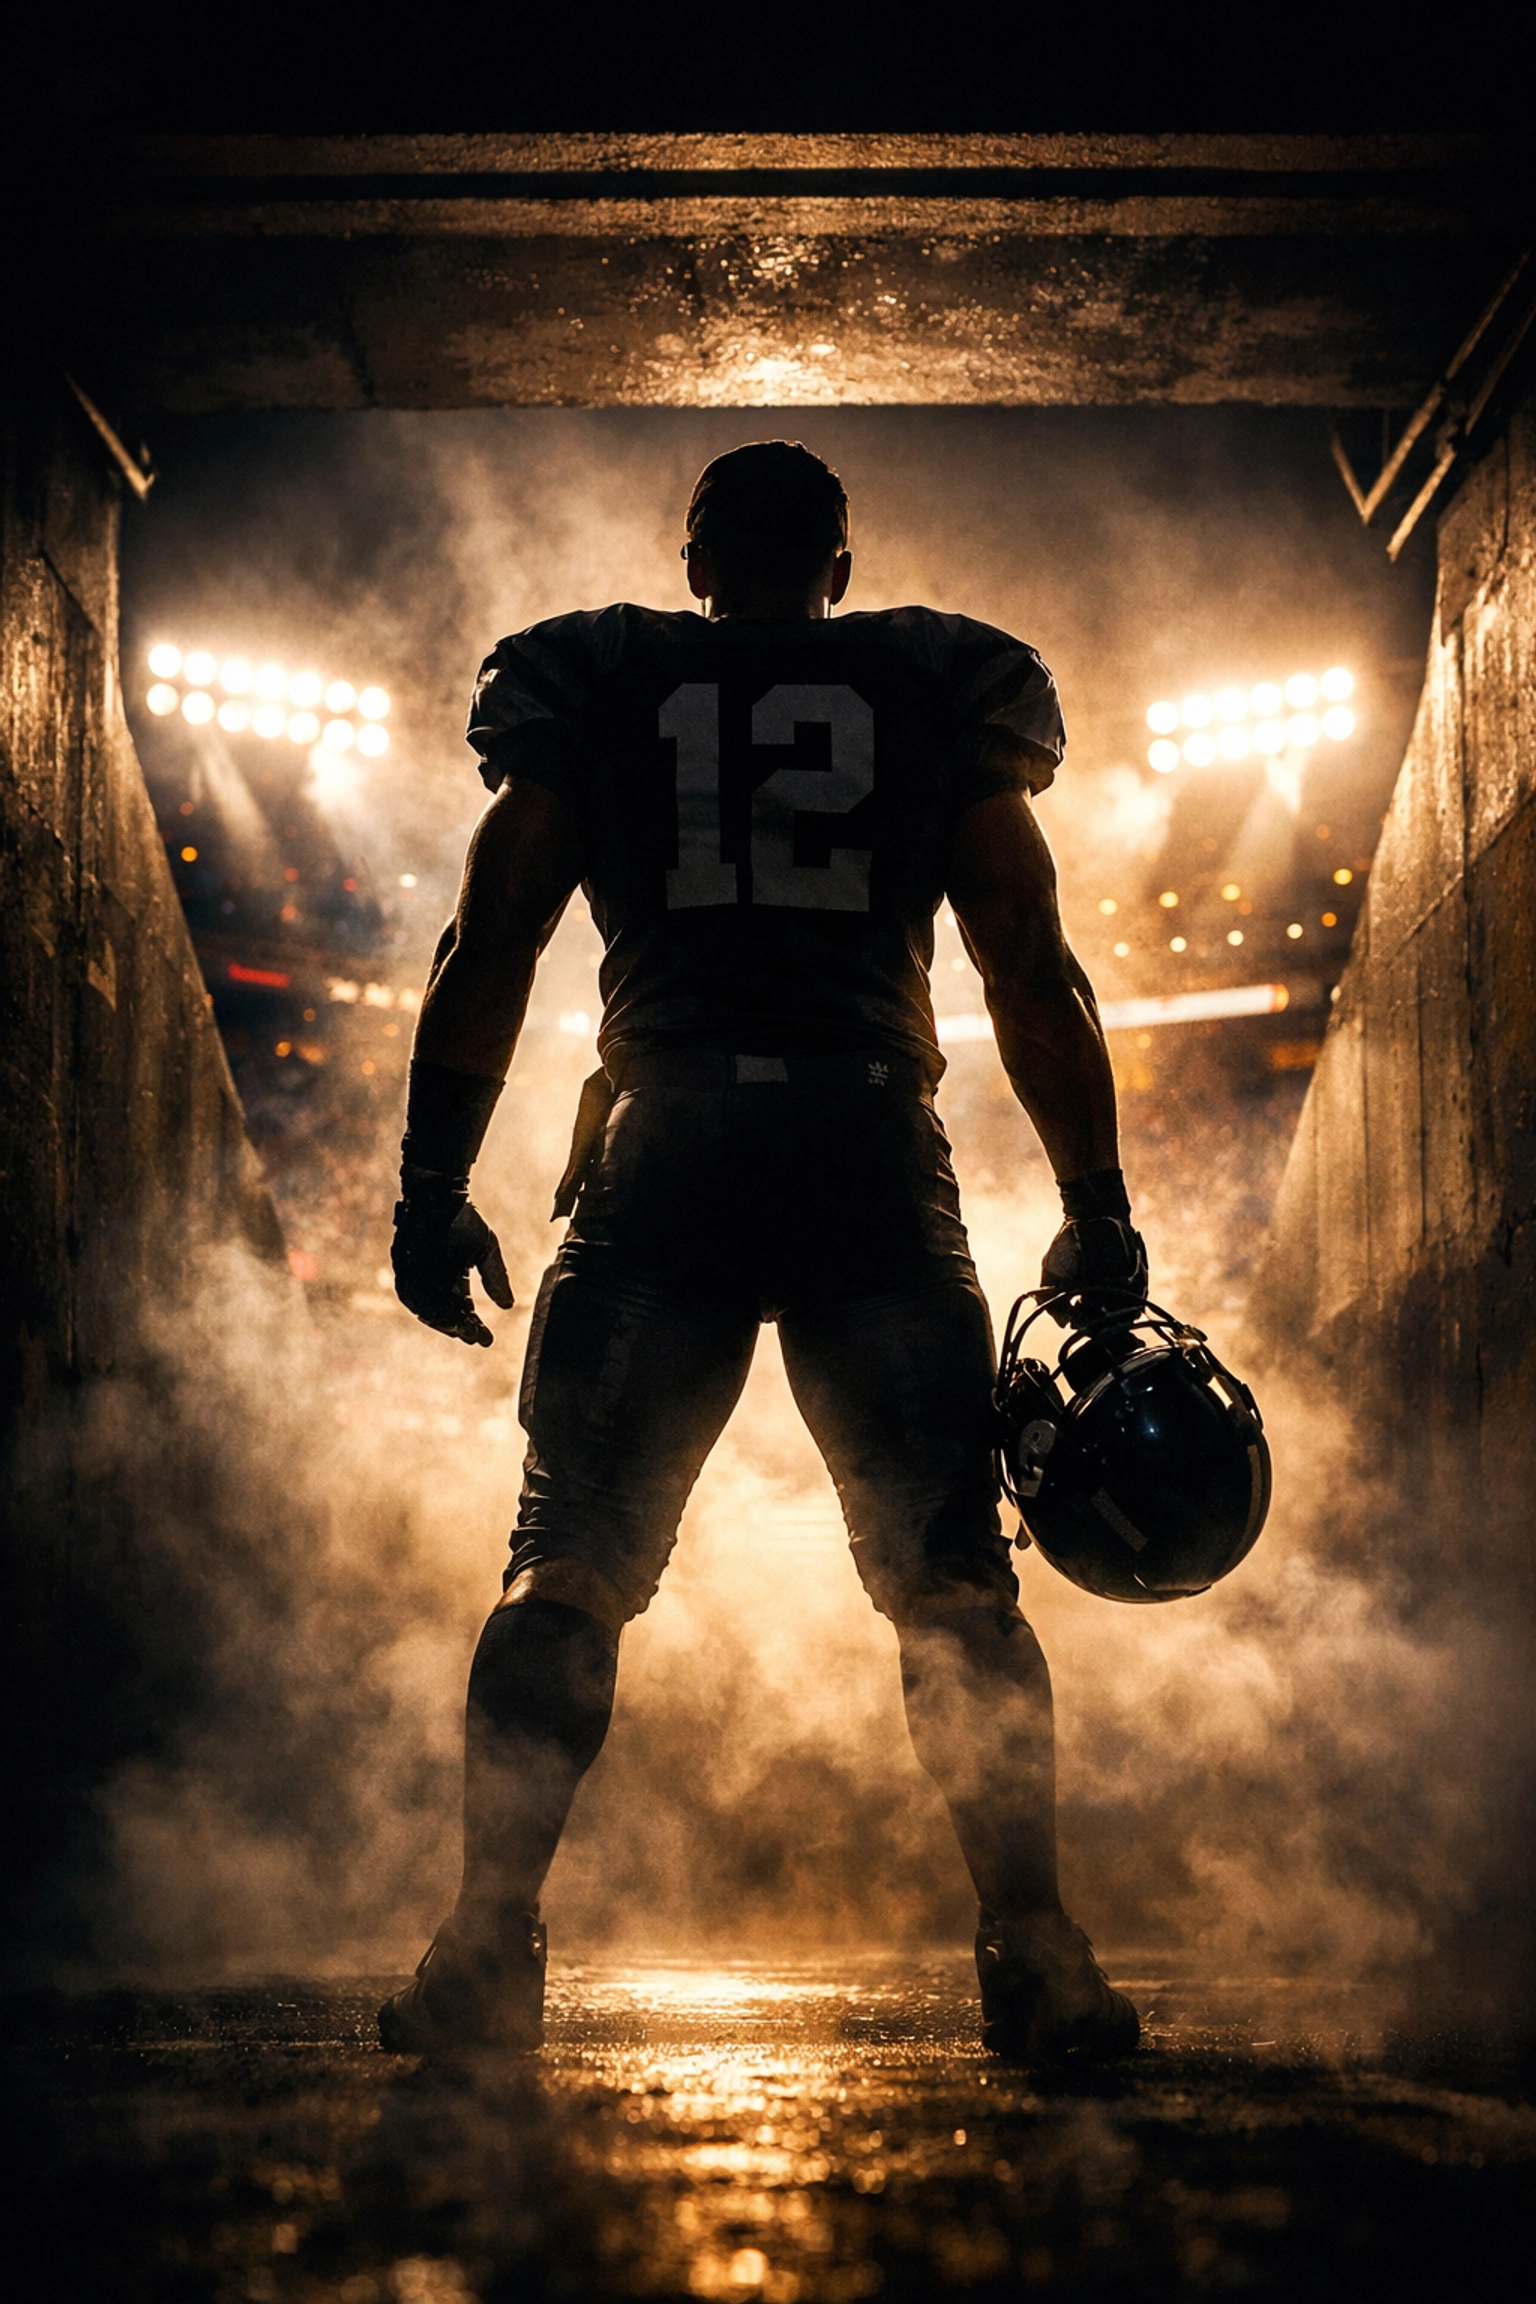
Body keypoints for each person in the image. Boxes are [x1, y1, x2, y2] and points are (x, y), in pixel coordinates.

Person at [380, 441, 1147, 2063]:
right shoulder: (938, 687)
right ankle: (1035, 1951)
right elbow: (1027, 959)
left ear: (697, 564)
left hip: (671, 1145)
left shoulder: (603, 680)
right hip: (868, 1147)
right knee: (951, 1584)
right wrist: (1099, 1198)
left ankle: (481, 1949)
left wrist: (430, 1178)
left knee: (569, 1561)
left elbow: (495, 930)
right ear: (842, 570)